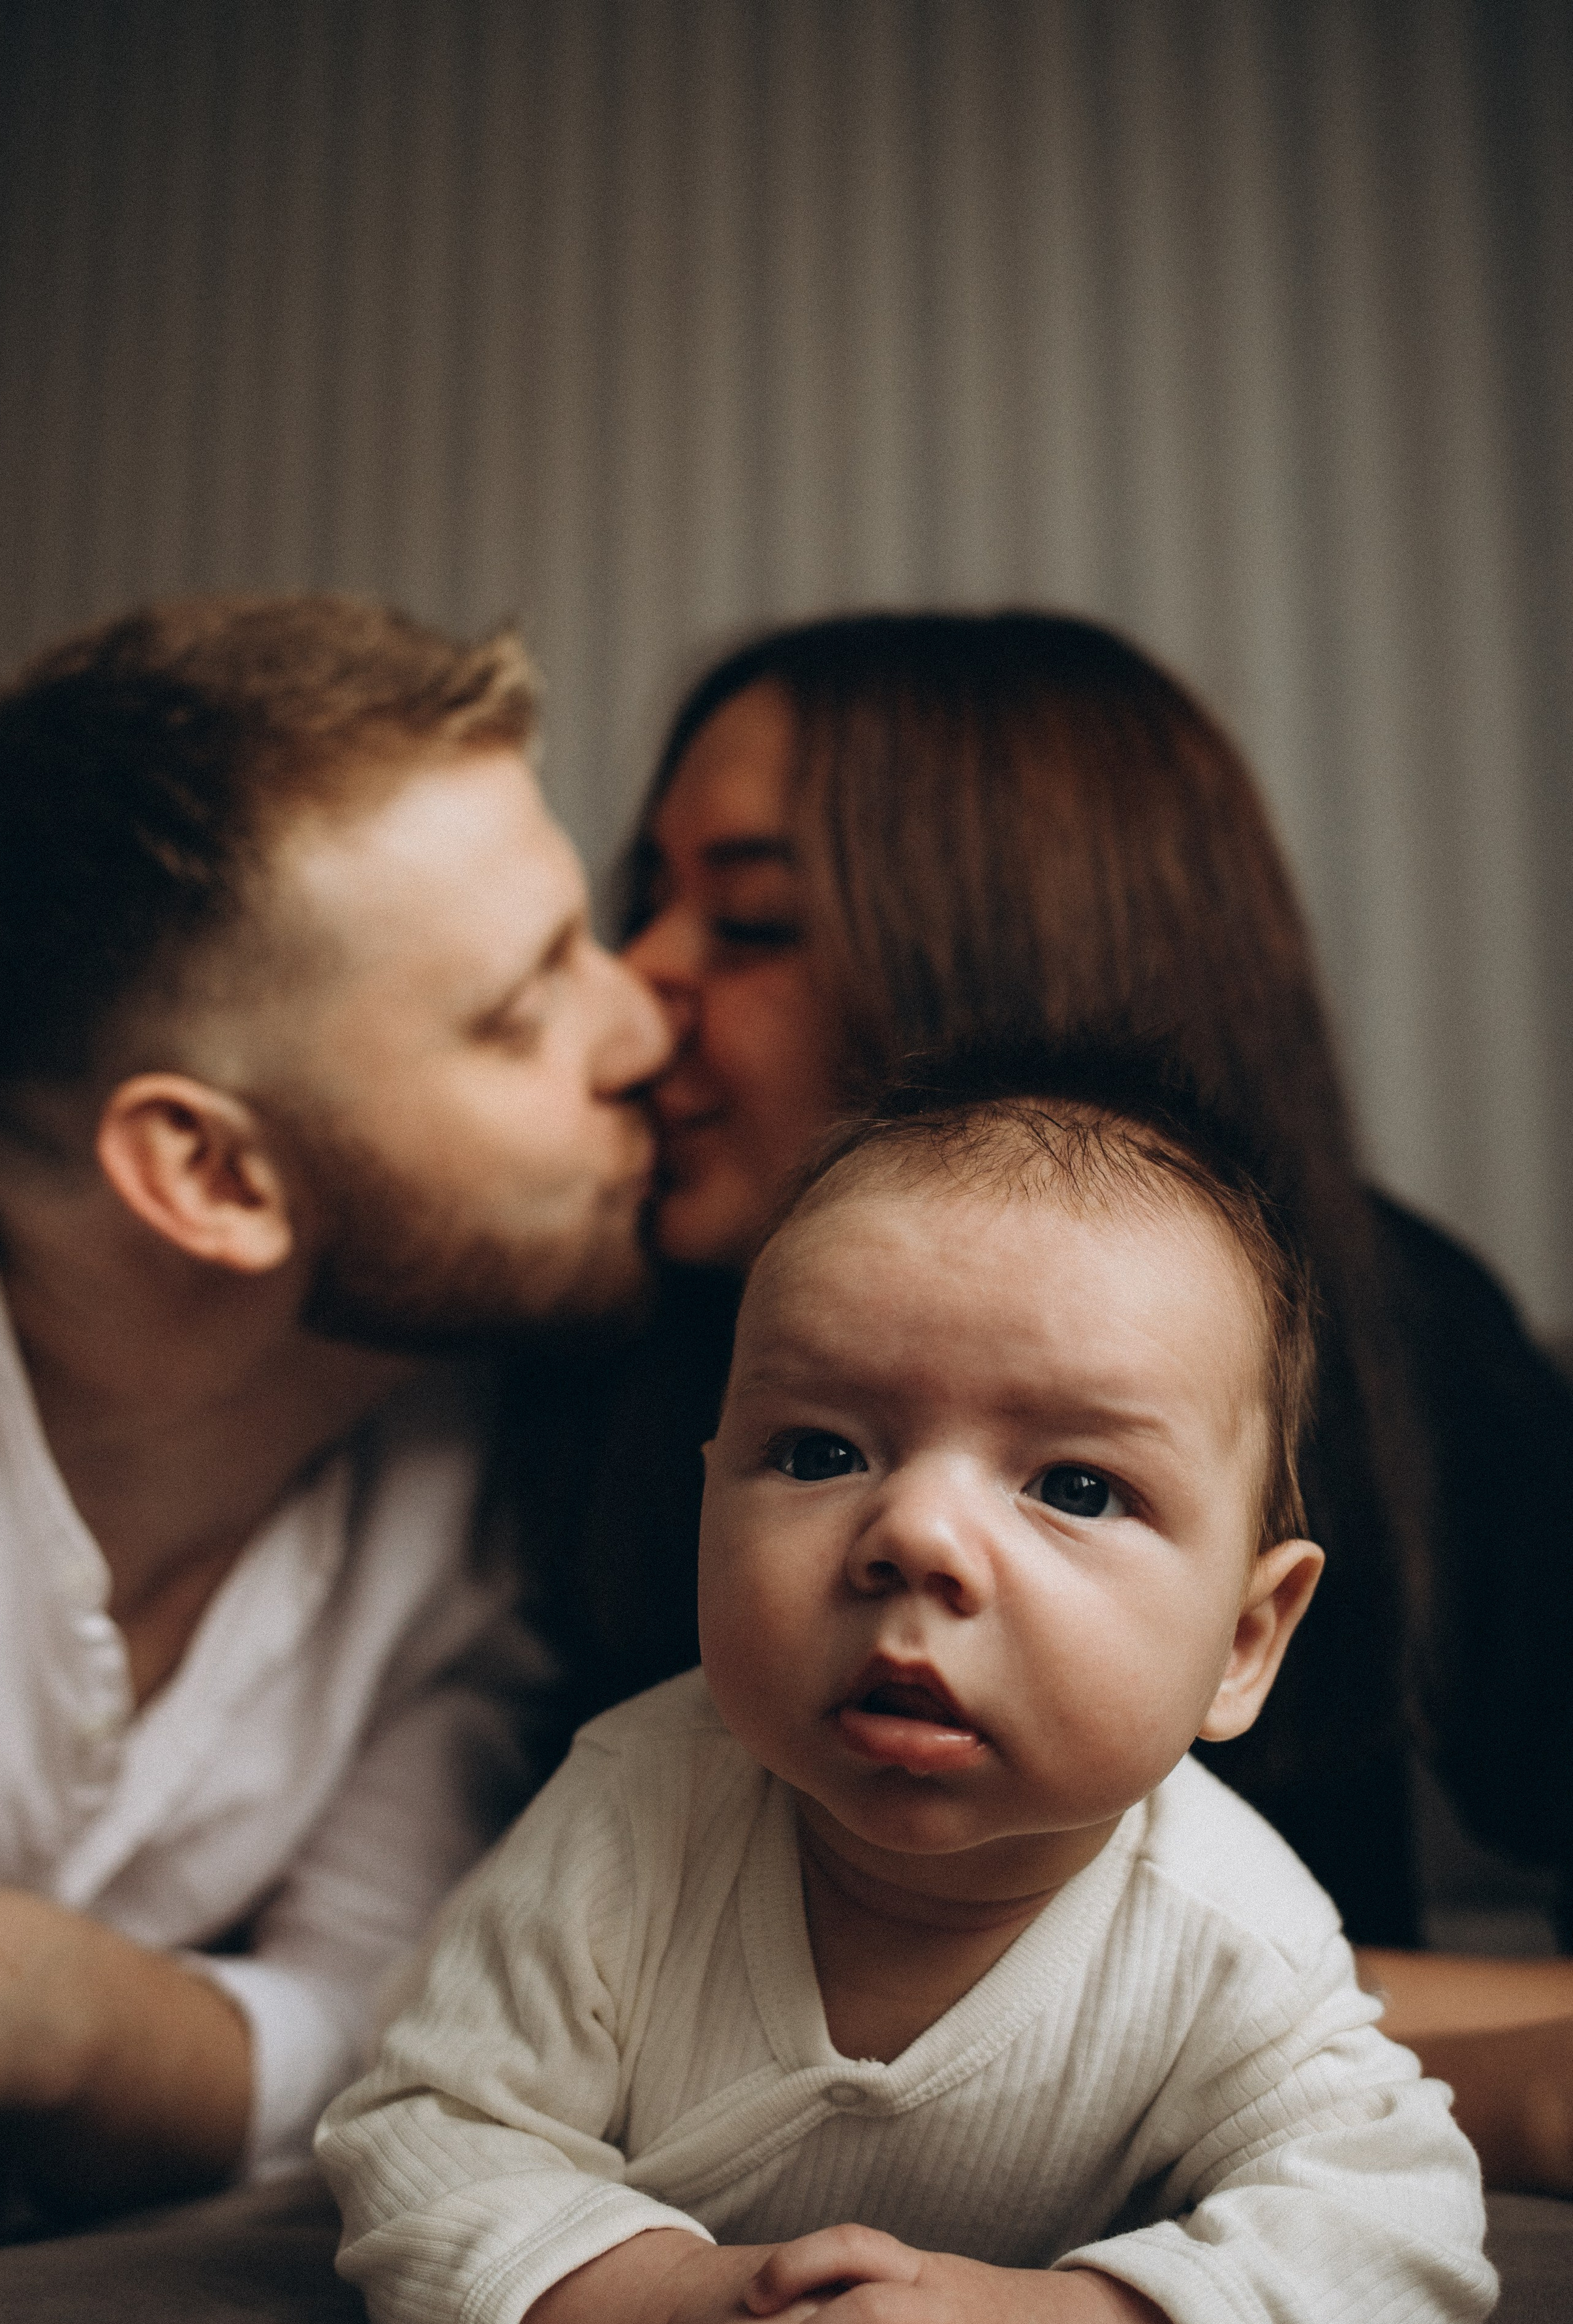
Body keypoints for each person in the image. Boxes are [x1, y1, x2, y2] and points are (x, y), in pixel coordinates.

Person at [499, 609, 1573, 2196]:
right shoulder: (605, 1361)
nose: (637, 981)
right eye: (815, 1452)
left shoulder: (1400, 1328)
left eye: (749, 923)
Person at [320, 1053, 1494, 2324]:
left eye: (1074, 1487)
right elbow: (428, 2134)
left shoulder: (1226, 1934)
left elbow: (1401, 2225)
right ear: (707, 1504)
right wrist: (653, 2308)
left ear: (1244, 1641)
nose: (915, 1536)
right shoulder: (635, 1818)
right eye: (819, 1453)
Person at [0, 594, 669, 2246]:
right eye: (519, 1010)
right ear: (209, 1173)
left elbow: (391, 2042)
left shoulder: (472, 1448)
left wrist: (44, 2002)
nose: (646, 1031)